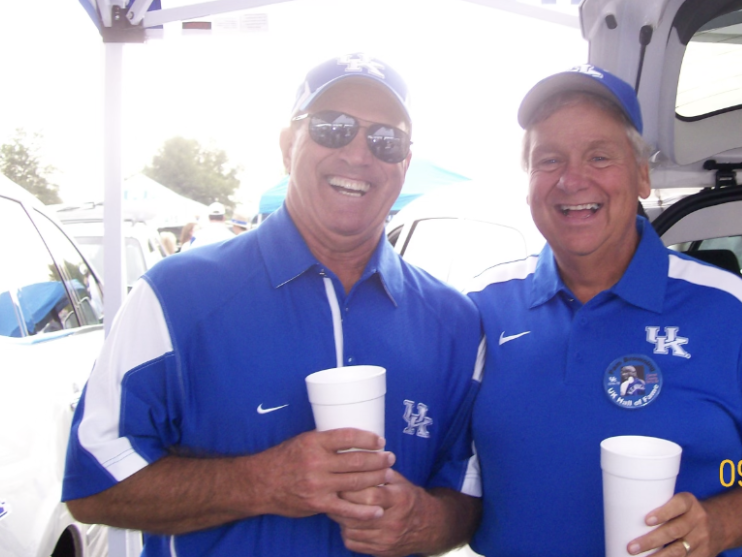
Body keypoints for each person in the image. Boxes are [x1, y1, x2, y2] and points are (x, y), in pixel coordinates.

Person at [62, 53, 482, 557]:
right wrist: (265, 482)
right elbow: (93, 482)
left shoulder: (454, 322)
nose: (359, 154)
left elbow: (469, 491)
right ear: (288, 146)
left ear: (404, 165)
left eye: (385, 139)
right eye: (332, 127)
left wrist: (427, 521)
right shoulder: (175, 296)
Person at [463, 65, 742, 557]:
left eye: (599, 156)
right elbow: (444, 471)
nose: (572, 180)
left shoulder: (728, 308)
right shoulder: (485, 308)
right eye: (548, 160)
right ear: (528, 181)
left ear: (642, 175)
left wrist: (721, 524)